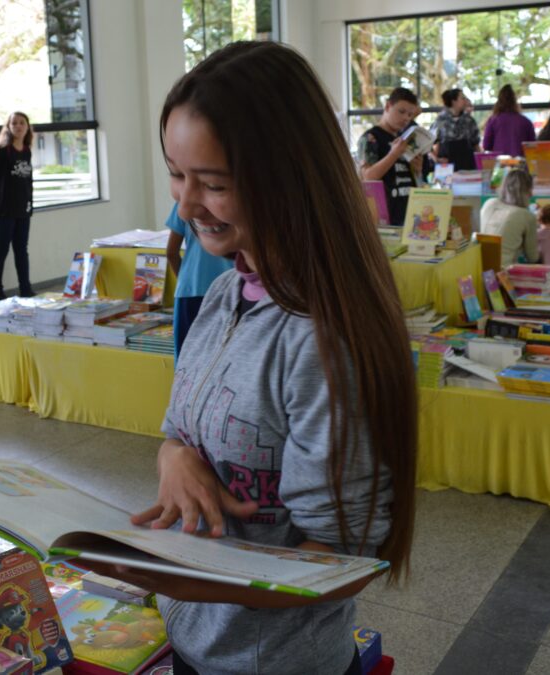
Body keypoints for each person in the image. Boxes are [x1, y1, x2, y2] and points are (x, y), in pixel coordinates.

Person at [92, 41, 417, 675]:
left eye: (212, 184)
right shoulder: (222, 294)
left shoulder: (323, 341)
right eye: (176, 174)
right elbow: (183, 430)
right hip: (199, 641)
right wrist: (175, 457)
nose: (184, 207)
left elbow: (342, 564)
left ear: (290, 179)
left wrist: (200, 585)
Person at [163, 202, 233, 359]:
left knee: (187, 359)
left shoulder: (185, 201)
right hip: (231, 290)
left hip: (191, 289)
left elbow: (171, 252)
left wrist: (185, 281)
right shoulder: (234, 198)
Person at [0, 112, 35, 299]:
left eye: (22, 123)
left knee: (22, 250)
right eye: (14, 123)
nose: (18, 126)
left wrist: (30, 204)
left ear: (27, 127)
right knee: (1, 248)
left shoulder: (27, 150)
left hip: (23, 209)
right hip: (3, 210)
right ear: (9, 126)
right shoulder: (2, 151)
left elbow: (28, 180)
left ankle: (25, 289)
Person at [359, 87, 423, 224]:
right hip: (386, 217)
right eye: (401, 111)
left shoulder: (404, 139)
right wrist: (394, 154)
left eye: (410, 115)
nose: (406, 118)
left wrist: (417, 169)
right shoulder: (371, 137)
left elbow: (411, 179)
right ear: (388, 106)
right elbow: (368, 177)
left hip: (410, 214)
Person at [480, 169, 538, 267]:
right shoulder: (526, 216)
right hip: (504, 273)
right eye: (530, 189)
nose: (531, 194)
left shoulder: (489, 203)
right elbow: (532, 257)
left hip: (479, 266)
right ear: (526, 191)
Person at [430, 88, 480, 170]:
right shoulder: (440, 120)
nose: (465, 101)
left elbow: (475, 143)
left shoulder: (469, 120)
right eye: (462, 98)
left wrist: (480, 163)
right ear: (454, 101)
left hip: (467, 164)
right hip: (446, 165)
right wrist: (436, 159)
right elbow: (429, 144)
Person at [483, 84, 535, 156]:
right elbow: (532, 146)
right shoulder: (526, 121)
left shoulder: (493, 120)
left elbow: (486, 145)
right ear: (515, 101)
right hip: (521, 162)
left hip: (500, 163)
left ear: (499, 102)